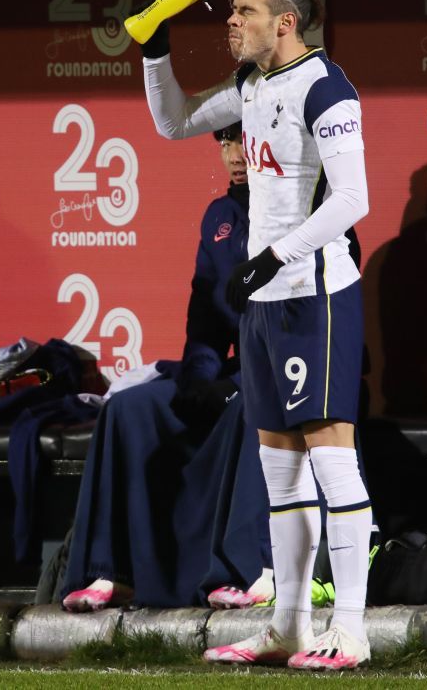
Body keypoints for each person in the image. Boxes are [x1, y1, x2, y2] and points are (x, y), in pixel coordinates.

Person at [137, 0, 372, 670]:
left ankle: (352, 630)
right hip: (266, 304)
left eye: (245, 11)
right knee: (281, 478)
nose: (231, 22)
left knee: (333, 463)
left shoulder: (327, 87)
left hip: (317, 295)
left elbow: (353, 197)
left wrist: (273, 258)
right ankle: (289, 625)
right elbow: (174, 122)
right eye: (232, 10)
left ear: (286, 23)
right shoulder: (250, 86)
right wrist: (154, 49)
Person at [60, 123, 274, 611]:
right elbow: (206, 317)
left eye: (245, 137)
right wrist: (201, 376)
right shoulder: (218, 216)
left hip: (288, 370)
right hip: (234, 371)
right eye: (224, 141)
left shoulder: (305, 206)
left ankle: (240, 570)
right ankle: (112, 570)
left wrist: (236, 384)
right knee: (128, 410)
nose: (234, 153)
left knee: (249, 405)